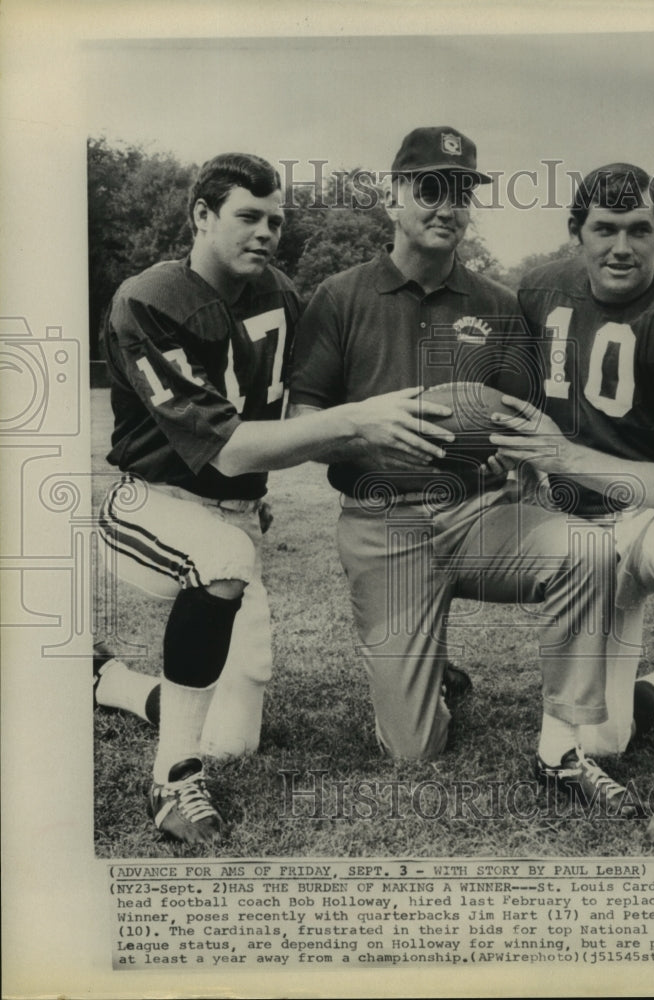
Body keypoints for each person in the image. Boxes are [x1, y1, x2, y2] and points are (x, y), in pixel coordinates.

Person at [94, 152, 457, 846]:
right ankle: (172, 783)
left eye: (276, 220)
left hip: (231, 516)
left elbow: (303, 425)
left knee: (232, 741)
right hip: (148, 504)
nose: (266, 232)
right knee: (224, 558)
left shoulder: (282, 297)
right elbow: (227, 447)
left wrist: (416, 444)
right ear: (201, 216)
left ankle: (106, 679)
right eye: (248, 217)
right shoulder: (148, 298)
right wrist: (357, 422)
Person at [287, 126, 633, 815]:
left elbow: (523, 416)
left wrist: (520, 448)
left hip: (478, 511)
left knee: (586, 550)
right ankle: (434, 680)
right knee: (412, 752)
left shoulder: (496, 305)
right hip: (382, 521)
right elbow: (300, 426)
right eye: (430, 189)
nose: (447, 207)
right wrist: (362, 434)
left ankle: (560, 747)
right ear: (394, 197)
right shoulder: (339, 296)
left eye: (462, 193)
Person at [490, 162, 654, 846]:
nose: (619, 246)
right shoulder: (538, 292)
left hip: (649, 518)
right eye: (603, 229)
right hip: (573, 535)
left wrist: (560, 456)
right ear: (576, 232)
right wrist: (509, 457)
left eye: (638, 229)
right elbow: (514, 395)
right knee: (601, 744)